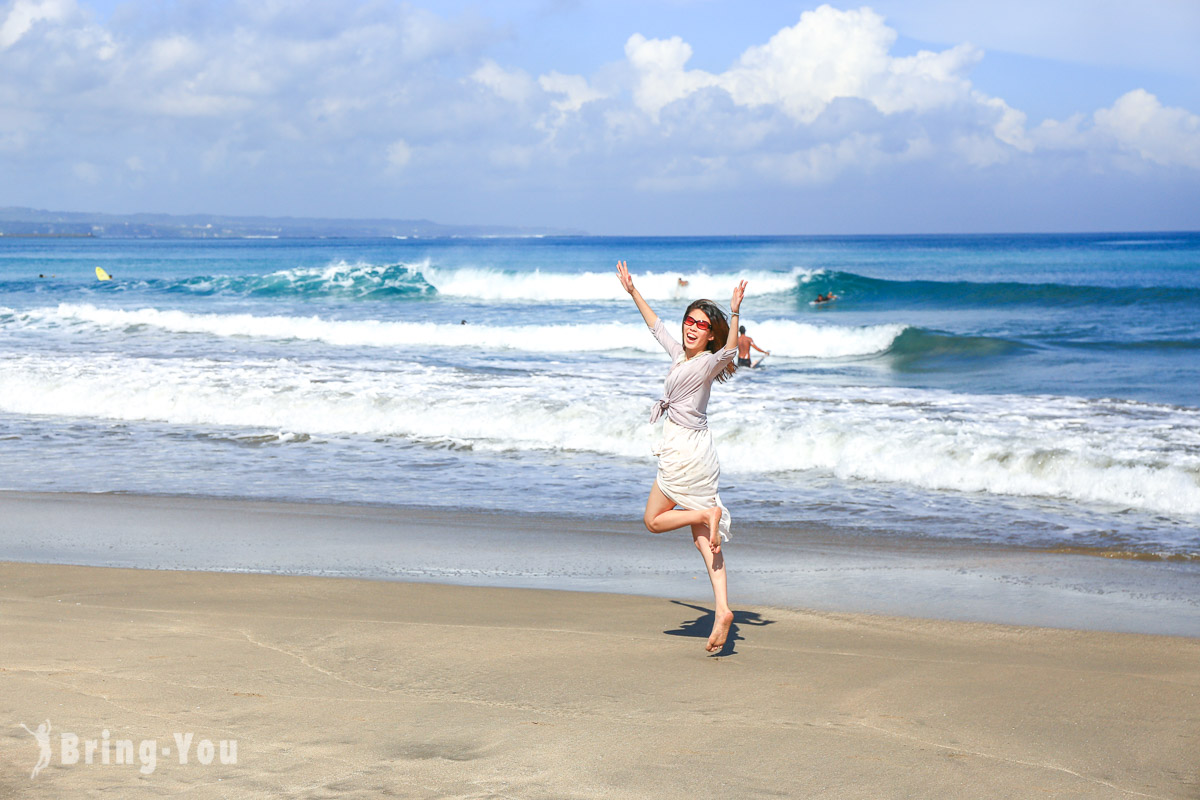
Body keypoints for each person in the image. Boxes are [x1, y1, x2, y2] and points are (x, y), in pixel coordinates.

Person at [616, 259, 744, 653]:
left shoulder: (706, 363)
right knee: (705, 542)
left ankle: (705, 514)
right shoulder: (680, 356)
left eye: (701, 325)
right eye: (689, 320)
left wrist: (734, 310)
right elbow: (657, 327)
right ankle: (722, 609)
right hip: (700, 452)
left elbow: (732, 348)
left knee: (653, 521)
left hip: (683, 450)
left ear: (710, 336)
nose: (691, 328)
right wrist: (633, 291)